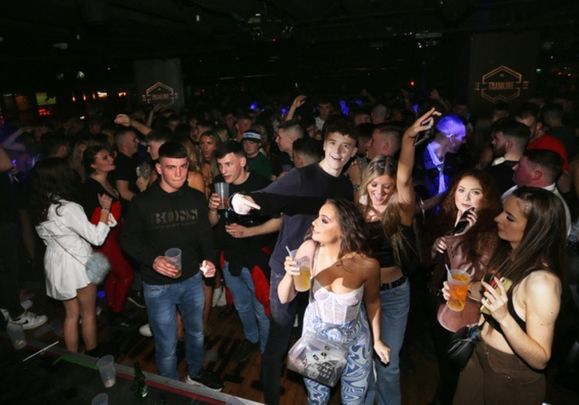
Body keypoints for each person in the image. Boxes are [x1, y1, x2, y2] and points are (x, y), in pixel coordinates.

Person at [231, 117, 358, 404]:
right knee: (279, 337)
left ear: (353, 152)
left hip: (323, 274)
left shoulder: (346, 188)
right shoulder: (302, 176)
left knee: (314, 338)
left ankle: (314, 396)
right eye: (334, 143)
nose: (339, 151)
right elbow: (264, 198)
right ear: (325, 145)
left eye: (346, 146)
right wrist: (240, 200)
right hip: (290, 268)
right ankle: (273, 399)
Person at [120, 142, 222, 389]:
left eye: (183, 167)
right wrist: (152, 259)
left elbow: (205, 236)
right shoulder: (143, 202)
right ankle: (171, 388)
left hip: (192, 279)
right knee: (166, 344)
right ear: (159, 168)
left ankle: (195, 373)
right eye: (171, 167)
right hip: (157, 286)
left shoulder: (197, 198)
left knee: (196, 334)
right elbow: (128, 239)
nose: (178, 173)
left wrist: (210, 262)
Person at [451, 187, 567, 404]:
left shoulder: (541, 283)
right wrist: (464, 288)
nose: (498, 218)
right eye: (503, 211)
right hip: (479, 357)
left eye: (509, 217)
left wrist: (504, 317)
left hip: (510, 375)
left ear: (534, 229)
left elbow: (541, 359)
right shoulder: (510, 255)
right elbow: (488, 290)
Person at [360, 108, 439, 405]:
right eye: (374, 185)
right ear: (366, 183)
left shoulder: (401, 210)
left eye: (387, 186)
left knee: (388, 364)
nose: (380, 191)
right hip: (363, 296)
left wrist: (408, 136)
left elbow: (405, 174)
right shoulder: (357, 212)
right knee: (365, 359)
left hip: (393, 296)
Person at [279, 199, 390, 404]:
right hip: (317, 340)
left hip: (354, 341)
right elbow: (284, 297)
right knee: (317, 398)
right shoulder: (309, 250)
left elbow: (373, 303)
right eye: (317, 218)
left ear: (344, 230)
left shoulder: (366, 265)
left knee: (354, 400)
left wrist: (378, 340)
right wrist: (288, 275)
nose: (314, 223)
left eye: (324, 220)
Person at [428, 170, 502, 404]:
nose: (466, 197)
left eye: (475, 192)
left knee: (455, 370)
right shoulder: (451, 218)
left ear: (486, 198)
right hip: (439, 299)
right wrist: (435, 246)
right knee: (443, 363)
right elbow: (429, 261)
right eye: (461, 190)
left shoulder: (490, 231)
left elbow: (470, 275)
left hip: (463, 310)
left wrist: (459, 237)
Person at [30, 158, 115, 352]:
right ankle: (92, 354)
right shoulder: (68, 208)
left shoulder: (39, 208)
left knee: (70, 315)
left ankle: (74, 360)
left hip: (55, 264)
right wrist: (105, 210)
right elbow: (97, 238)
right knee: (89, 314)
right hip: (78, 265)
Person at [208, 141, 280, 359]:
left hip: (256, 258)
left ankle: (267, 351)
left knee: (261, 308)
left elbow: (279, 221)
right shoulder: (219, 183)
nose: (223, 170)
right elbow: (212, 222)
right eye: (220, 165)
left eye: (229, 164)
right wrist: (211, 208)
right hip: (229, 257)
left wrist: (248, 232)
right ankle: (252, 339)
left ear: (242, 161)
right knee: (241, 305)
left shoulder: (261, 184)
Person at [81, 145, 134, 323]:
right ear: (93, 165)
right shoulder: (89, 188)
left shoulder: (107, 179)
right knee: (127, 275)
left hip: (115, 236)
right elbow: (91, 222)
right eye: (105, 158)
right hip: (104, 240)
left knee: (113, 275)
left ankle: (111, 308)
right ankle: (117, 312)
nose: (111, 159)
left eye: (110, 156)